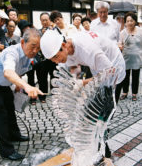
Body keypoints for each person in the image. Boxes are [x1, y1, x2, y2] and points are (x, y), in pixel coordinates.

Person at [40, 29, 125, 158]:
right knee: (90, 116)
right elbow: (74, 67)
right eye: (53, 60)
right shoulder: (67, 49)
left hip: (114, 70)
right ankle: (95, 150)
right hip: (99, 70)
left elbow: (110, 73)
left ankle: (105, 155)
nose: (57, 62)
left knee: (101, 119)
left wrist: (83, 83)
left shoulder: (88, 50)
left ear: (64, 46)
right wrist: (75, 82)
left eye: (56, 57)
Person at [0, 28, 43, 160]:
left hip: (5, 85)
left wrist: (17, 86)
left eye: (38, 48)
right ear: (22, 43)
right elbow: (8, 72)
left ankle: (15, 134)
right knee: (0, 116)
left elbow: (18, 71)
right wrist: (26, 86)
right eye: (32, 46)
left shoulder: (29, 56)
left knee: (10, 110)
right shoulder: (11, 52)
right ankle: (7, 151)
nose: (35, 51)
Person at [117, 12, 142, 101]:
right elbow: (119, 43)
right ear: (125, 22)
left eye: (131, 20)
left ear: (135, 21)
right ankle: (124, 92)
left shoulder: (140, 31)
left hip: (137, 57)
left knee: (136, 76)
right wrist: (120, 46)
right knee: (125, 76)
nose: (129, 23)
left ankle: (134, 93)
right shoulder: (123, 32)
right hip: (126, 57)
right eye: (127, 21)